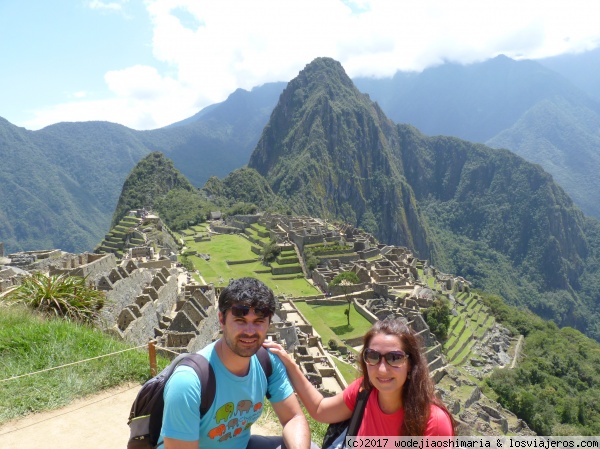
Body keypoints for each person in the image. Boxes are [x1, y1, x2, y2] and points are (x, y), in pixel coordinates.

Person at [157, 277, 318, 449]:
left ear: (269, 323)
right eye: (240, 321)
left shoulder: (267, 362)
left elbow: (293, 418)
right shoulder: (188, 383)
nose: (249, 332)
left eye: (258, 322)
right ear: (221, 320)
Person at [264, 316, 456, 441]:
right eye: (373, 356)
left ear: (410, 365)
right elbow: (320, 410)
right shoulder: (363, 392)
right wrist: (290, 365)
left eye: (394, 358)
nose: (382, 369)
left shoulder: (432, 422)